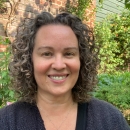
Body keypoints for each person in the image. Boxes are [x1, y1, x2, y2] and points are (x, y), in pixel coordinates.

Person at [0, 11, 129, 130]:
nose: (59, 65)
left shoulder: (109, 119)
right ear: (29, 60)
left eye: (69, 53)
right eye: (47, 54)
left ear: (82, 60)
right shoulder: (7, 122)